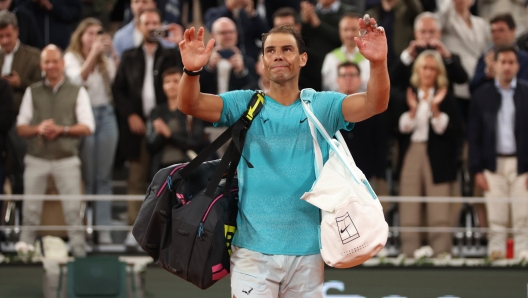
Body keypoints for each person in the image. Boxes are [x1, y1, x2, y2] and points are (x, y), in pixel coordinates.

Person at [177, 16, 389, 297]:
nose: (278, 56)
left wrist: (377, 63)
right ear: (263, 60)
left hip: (309, 253)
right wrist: (191, 72)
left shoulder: (322, 105)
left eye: (287, 49)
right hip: (252, 252)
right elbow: (190, 103)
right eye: (270, 51)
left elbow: (375, 103)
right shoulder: (245, 103)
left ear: (303, 58)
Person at [16, 44, 95, 256]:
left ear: (63, 63)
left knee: (73, 212)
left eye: (54, 61)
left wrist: (62, 129)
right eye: (46, 62)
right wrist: (38, 128)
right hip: (36, 158)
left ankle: (80, 256)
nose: (51, 65)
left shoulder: (77, 91)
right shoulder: (32, 91)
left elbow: (88, 126)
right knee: (30, 211)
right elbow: (21, 127)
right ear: (41, 65)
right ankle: (25, 255)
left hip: (67, 158)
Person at [112, 8, 182, 243]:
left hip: (166, 124)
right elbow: (117, 90)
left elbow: (186, 80)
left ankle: (168, 231)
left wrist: (179, 44)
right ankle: (135, 230)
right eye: (147, 23)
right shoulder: (129, 56)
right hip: (137, 126)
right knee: (136, 178)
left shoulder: (172, 54)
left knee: (165, 179)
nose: (152, 26)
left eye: (155, 22)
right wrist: (131, 114)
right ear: (139, 27)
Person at [397, 50, 462, 257]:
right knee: (409, 204)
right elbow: (400, 128)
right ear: (418, 70)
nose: (428, 72)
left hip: (439, 157)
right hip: (412, 153)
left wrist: (434, 108)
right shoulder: (406, 94)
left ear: (438, 72)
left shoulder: (446, 97)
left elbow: (448, 129)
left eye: (432, 68)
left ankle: (442, 253)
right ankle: (408, 254)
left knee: (439, 206)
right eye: (424, 67)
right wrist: (414, 111)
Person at [468, 46, 528, 260]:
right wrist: (477, 170)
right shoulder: (481, 96)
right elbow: (473, 137)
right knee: (496, 216)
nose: (507, 67)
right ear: (495, 65)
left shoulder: (526, 92)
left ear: (518, 66)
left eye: (512, 62)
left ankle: (523, 258)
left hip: (522, 166)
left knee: (523, 216)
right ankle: (497, 257)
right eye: (503, 62)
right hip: (492, 165)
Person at [64, 17, 119, 244]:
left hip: (106, 114)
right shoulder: (71, 57)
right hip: (83, 117)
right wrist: (93, 55)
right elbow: (77, 81)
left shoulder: (105, 59)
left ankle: (103, 228)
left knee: (103, 177)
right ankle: (85, 228)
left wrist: (111, 52)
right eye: (90, 33)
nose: (94, 38)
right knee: (88, 177)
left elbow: (115, 79)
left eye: (98, 33)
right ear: (80, 36)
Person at [0, 10, 41, 196]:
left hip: (22, 120)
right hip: (1, 122)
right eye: (1, 36)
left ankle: (21, 210)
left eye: (8, 35)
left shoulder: (33, 56)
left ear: (17, 31)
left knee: (21, 169)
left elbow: (43, 88)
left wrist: (20, 83)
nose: (5, 40)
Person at [337, 61, 388, 196]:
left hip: (367, 174)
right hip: (336, 174)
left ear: (360, 79)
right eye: (344, 75)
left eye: (352, 75)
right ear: (337, 80)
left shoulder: (372, 107)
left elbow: (381, 143)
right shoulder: (328, 108)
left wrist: (378, 172)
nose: (348, 79)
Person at [146, 67, 209, 176]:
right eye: (167, 82)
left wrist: (170, 135)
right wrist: (159, 134)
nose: (171, 85)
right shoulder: (156, 111)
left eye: (176, 81)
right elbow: (150, 145)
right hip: (161, 169)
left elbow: (197, 143)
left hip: (186, 168)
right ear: (162, 86)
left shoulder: (192, 110)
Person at [390, 12, 468, 94]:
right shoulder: (408, 57)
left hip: (443, 104)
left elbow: (462, 80)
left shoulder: (448, 57)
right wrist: (407, 56)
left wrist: (447, 56)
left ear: (439, 33)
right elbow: (392, 79)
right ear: (415, 34)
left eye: (432, 32)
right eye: (423, 32)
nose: (427, 36)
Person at [470, 14, 528, 94]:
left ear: (513, 31)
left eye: (501, 30)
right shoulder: (485, 58)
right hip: (491, 103)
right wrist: (487, 74)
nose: (496, 34)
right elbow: (472, 89)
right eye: (493, 31)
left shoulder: (524, 59)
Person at [200, 17, 255, 95]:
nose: (228, 36)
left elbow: (255, 91)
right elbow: (195, 89)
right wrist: (209, 68)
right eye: (223, 33)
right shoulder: (203, 61)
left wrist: (242, 72)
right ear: (213, 35)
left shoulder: (248, 62)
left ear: (236, 34)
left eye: (231, 32)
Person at [112, 0, 182, 58]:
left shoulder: (168, 33)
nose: (140, 6)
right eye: (136, 2)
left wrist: (179, 45)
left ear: (154, 4)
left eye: (144, 2)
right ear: (131, 5)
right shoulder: (120, 37)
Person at [204, 0, 269, 61]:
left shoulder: (246, 14)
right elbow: (211, 27)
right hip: (224, 58)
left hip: (250, 59)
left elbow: (265, 37)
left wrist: (252, 13)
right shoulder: (214, 12)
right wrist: (228, 7)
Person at [322, 12, 370, 92]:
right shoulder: (330, 58)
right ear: (340, 32)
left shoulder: (369, 58)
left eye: (354, 29)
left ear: (362, 31)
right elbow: (326, 88)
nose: (350, 34)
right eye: (345, 29)